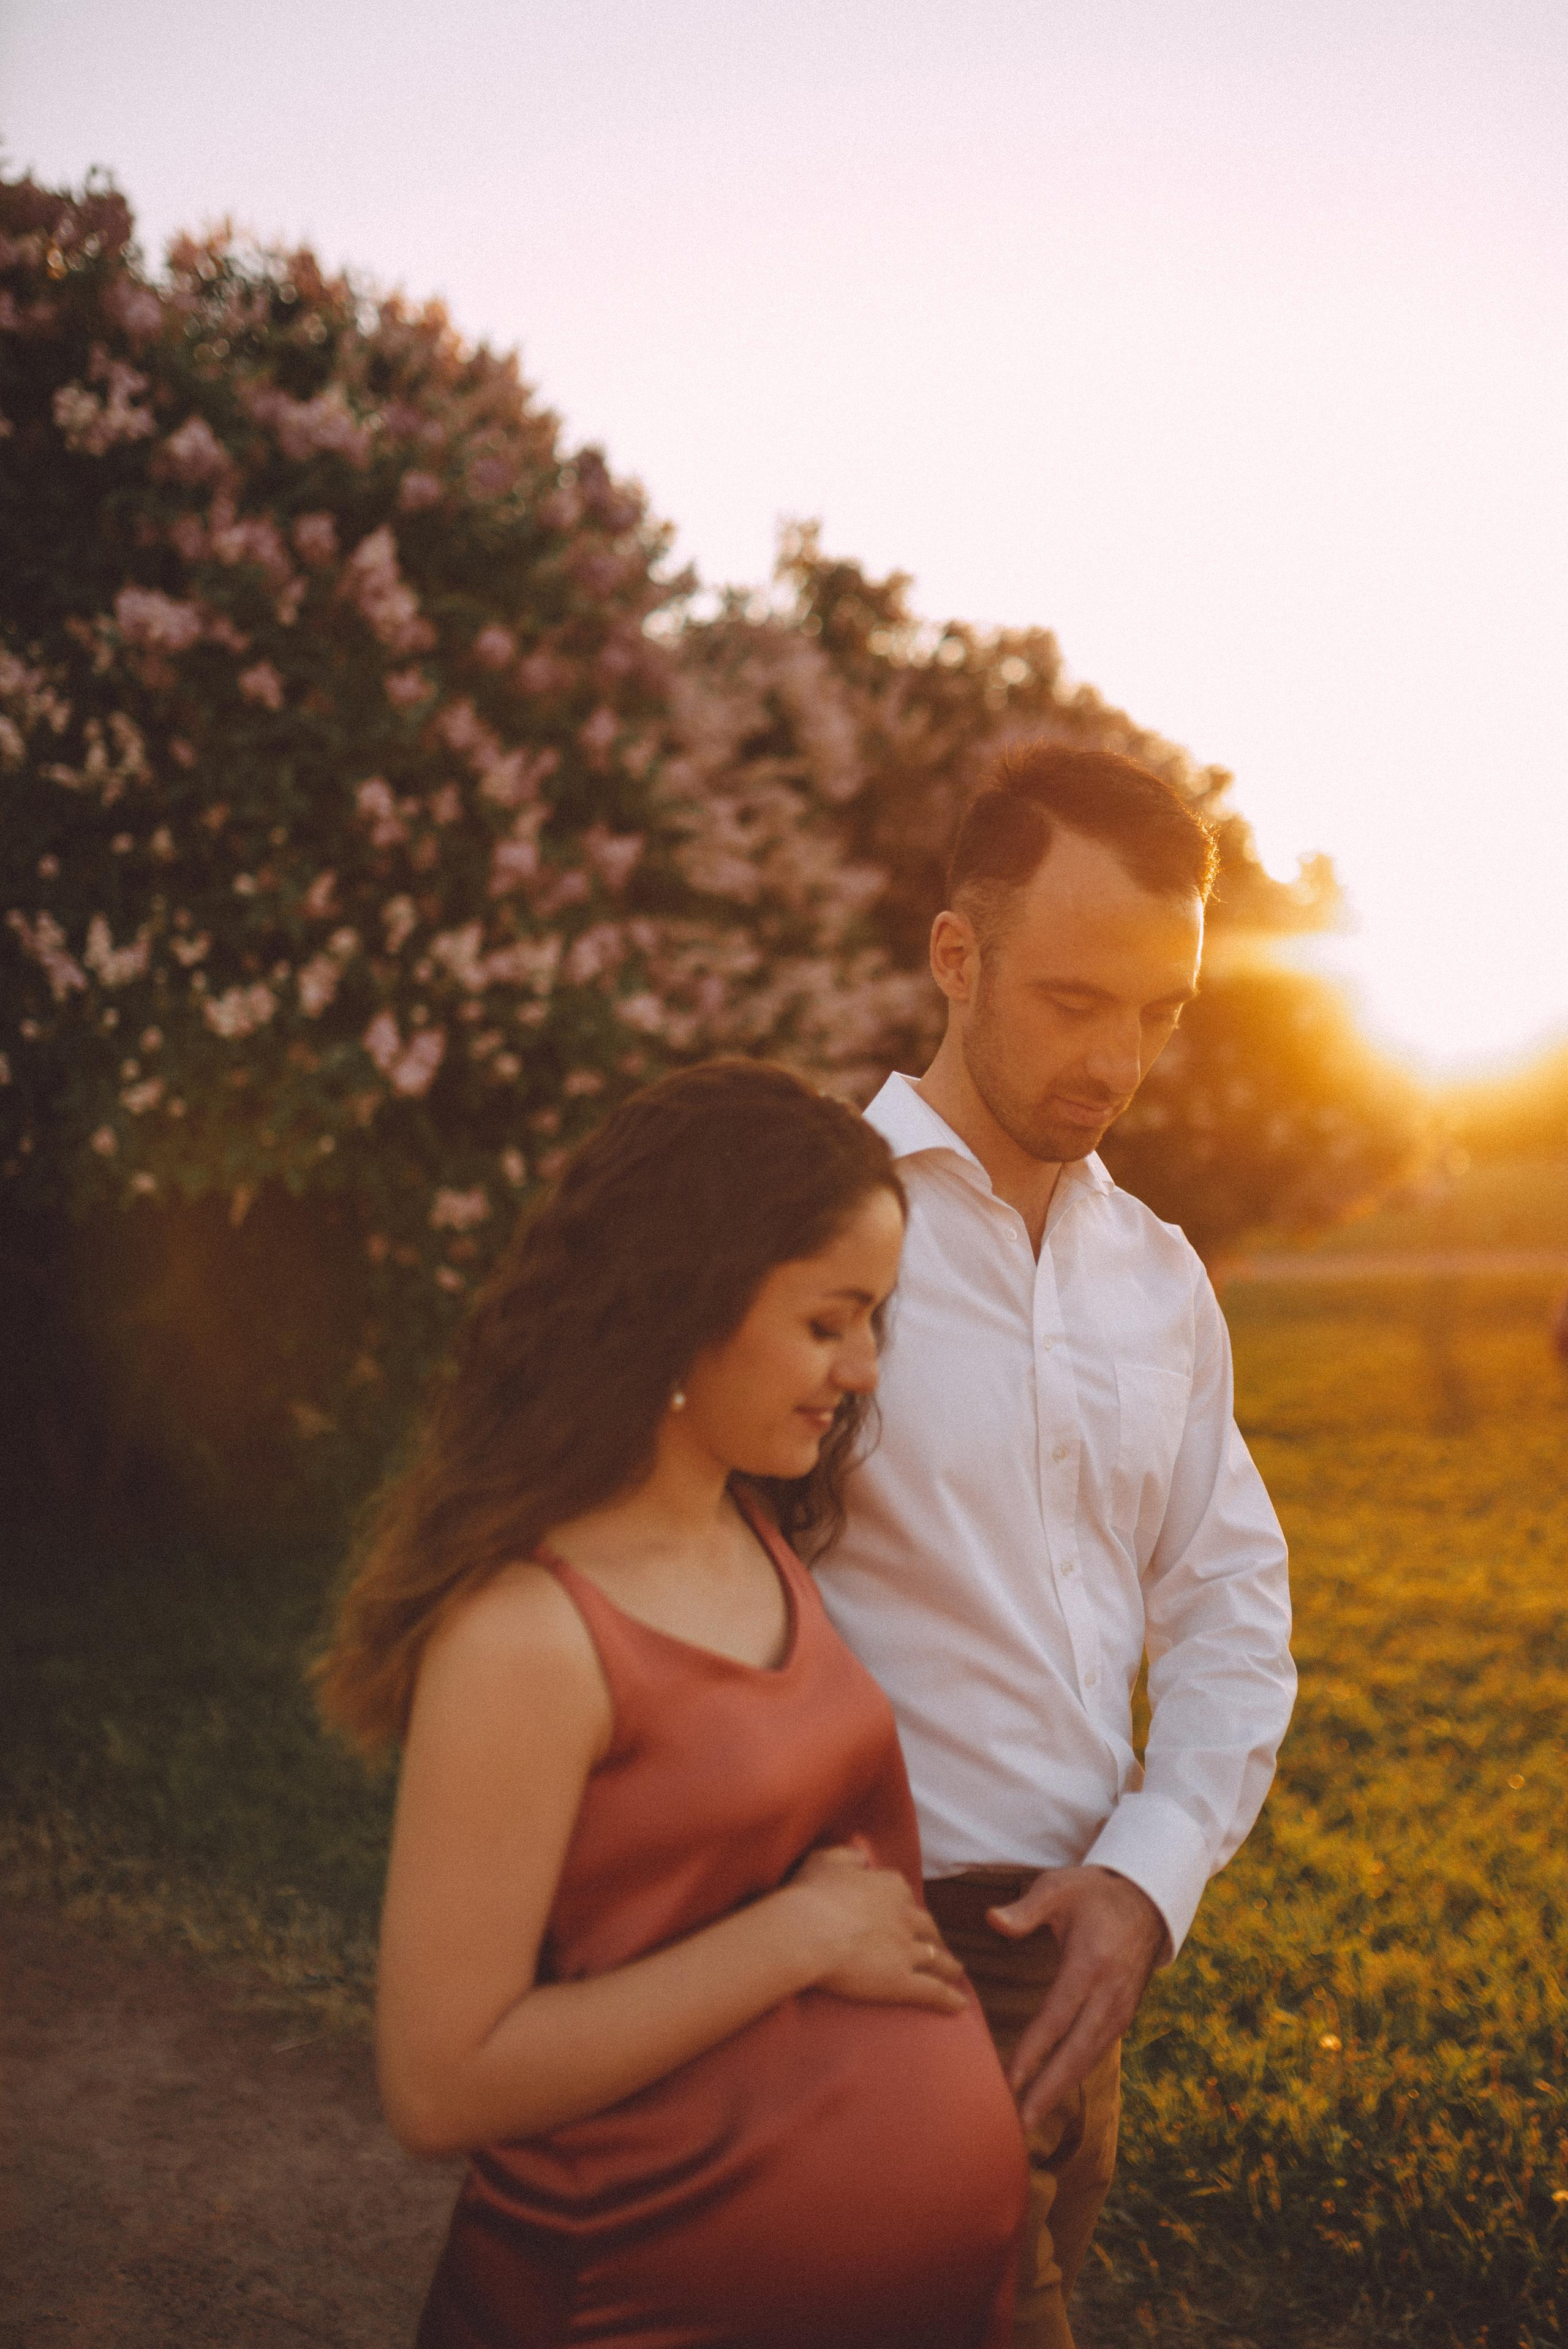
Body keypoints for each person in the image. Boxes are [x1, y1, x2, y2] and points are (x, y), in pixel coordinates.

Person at [314, 1059, 1028, 2349]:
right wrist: (799, 1943)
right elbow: (438, 2082)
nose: (863, 1368)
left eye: (876, 1321)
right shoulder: (526, 1638)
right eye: (828, 1322)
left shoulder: (753, 1532)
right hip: (623, 2300)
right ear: (682, 1307)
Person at [816, 743, 1297, 2349]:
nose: (1124, 1059)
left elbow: (1232, 1603)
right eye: (1080, 998)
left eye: (1163, 1011)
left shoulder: (1162, 1279)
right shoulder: (802, 1222)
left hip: (1084, 1973)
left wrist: (1152, 1881)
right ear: (959, 956)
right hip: (845, 1952)